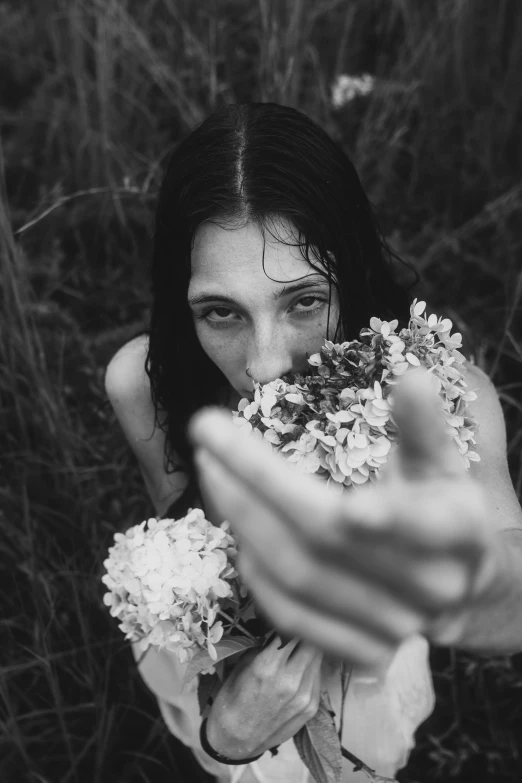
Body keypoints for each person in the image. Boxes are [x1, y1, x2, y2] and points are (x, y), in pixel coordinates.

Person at [104, 101, 521, 782]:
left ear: (349, 274)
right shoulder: (140, 384)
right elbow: (175, 509)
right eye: (221, 311)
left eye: (303, 300)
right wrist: (228, 732)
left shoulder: (440, 396)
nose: (266, 363)